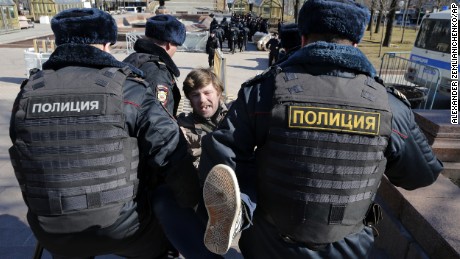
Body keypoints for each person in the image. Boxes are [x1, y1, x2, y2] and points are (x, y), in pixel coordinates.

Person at [198, 0, 443, 257]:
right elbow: (420, 175)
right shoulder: (389, 106)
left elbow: (222, 151)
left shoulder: (262, 92)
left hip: (269, 243)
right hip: (348, 247)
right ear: (356, 44)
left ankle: (242, 212)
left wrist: (244, 200)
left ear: (303, 39)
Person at [8, 8, 188, 258]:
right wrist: (192, 201)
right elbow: (170, 151)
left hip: (50, 230)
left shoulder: (28, 92)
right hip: (123, 228)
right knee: (161, 243)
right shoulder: (128, 89)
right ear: (105, 43)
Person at [152, 68, 229, 259]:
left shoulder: (235, 120)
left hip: (233, 194)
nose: (202, 100)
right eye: (195, 95)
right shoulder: (181, 126)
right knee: (162, 196)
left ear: (218, 92)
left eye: (207, 92)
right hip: (198, 195)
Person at [124, 14, 186, 117]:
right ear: (169, 45)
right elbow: (160, 119)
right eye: (176, 46)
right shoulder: (158, 72)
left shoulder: (134, 58)